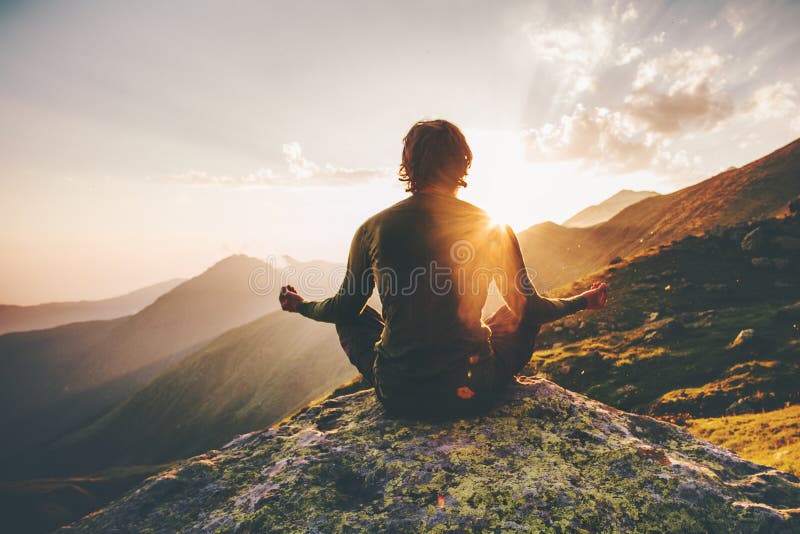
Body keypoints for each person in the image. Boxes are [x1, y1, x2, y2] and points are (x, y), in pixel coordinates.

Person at [280, 119, 608, 418]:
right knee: (516, 313)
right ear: (464, 163)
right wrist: (582, 300)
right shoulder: (491, 226)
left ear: (408, 165)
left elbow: (342, 307)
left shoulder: (373, 228)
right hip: (471, 391)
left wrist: (301, 305)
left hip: (399, 395)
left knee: (354, 314)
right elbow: (531, 309)